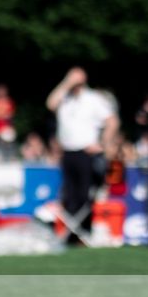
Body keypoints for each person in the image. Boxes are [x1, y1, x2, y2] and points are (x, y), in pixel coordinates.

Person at [46, 67, 114, 245]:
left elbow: (112, 121)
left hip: (86, 152)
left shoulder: (93, 99)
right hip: (67, 152)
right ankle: (71, 235)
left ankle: (84, 233)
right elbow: (50, 104)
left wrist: (102, 143)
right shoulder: (65, 99)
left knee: (84, 195)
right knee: (69, 195)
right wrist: (67, 83)